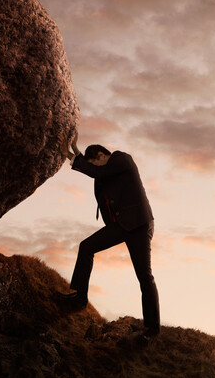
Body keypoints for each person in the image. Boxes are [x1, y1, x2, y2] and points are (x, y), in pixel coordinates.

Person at [57, 136, 161, 341]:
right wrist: (76, 152)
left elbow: (97, 172)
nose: (95, 169)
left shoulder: (122, 159)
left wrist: (71, 153)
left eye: (94, 163)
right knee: (86, 247)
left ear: (101, 155)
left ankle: (152, 329)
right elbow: (95, 171)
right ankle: (80, 297)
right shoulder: (105, 170)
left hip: (139, 224)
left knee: (144, 276)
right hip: (121, 225)